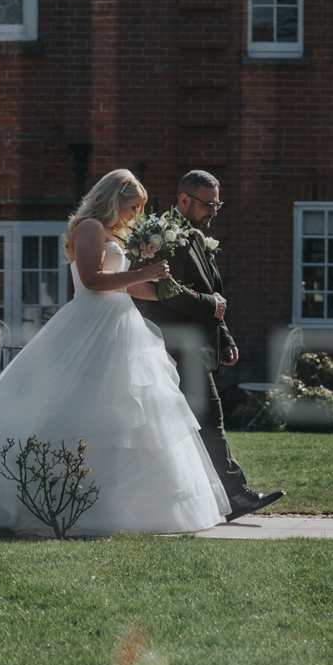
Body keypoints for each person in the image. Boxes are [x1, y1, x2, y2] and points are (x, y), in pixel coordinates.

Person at [0, 169, 230, 535]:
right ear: (113, 197)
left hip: (121, 326)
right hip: (90, 324)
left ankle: (121, 509)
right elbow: (93, 281)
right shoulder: (89, 228)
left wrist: (177, 291)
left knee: (131, 415)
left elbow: (131, 289)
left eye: (139, 209)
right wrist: (143, 274)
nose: (135, 215)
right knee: (76, 409)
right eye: (131, 206)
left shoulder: (117, 233)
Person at [132, 170, 285, 520]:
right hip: (176, 346)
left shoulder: (197, 236)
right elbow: (160, 289)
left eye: (218, 204)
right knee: (210, 419)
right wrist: (209, 307)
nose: (215, 212)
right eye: (208, 204)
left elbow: (215, 292)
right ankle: (237, 494)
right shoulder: (161, 234)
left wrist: (226, 336)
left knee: (195, 423)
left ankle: (213, 496)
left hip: (201, 344)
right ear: (184, 200)